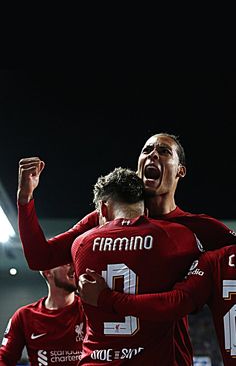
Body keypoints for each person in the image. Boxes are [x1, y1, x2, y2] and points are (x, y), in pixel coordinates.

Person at [17, 134, 236, 365]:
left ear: (180, 170)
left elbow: (38, 257)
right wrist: (25, 199)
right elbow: (41, 257)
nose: (152, 154)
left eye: (163, 151)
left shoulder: (198, 228)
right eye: (147, 150)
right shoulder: (105, 221)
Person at [71, 166, 203, 365]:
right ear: (147, 208)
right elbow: (185, 300)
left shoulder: (80, 244)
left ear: (103, 209)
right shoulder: (176, 236)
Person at [78, 245, 236, 366]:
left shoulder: (219, 258)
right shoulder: (217, 255)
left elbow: (176, 303)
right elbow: (177, 302)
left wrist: (107, 298)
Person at [0, 263, 86, 366]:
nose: (74, 268)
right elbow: (4, 358)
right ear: (48, 272)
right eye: (66, 264)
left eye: (73, 262)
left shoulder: (90, 310)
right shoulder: (24, 316)